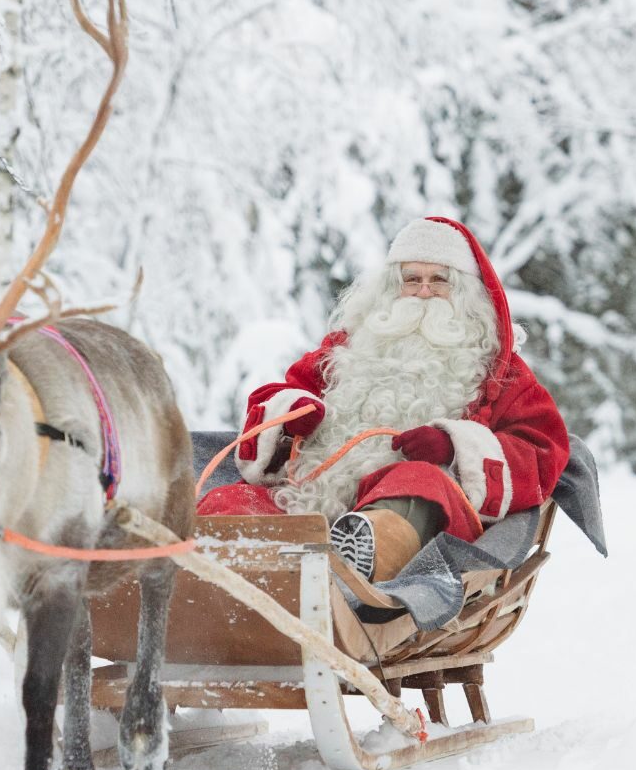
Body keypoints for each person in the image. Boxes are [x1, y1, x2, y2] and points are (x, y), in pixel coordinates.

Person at [198, 217, 570, 581]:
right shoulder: (346, 349)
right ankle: (218, 571)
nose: (424, 291)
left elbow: (542, 450)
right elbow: (276, 398)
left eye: (439, 280)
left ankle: (360, 557)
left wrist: (455, 447)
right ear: (392, 287)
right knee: (227, 503)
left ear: (465, 293)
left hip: (415, 521)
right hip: (307, 500)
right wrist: (290, 415)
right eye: (412, 280)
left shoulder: (500, 371)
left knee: (419, 479)